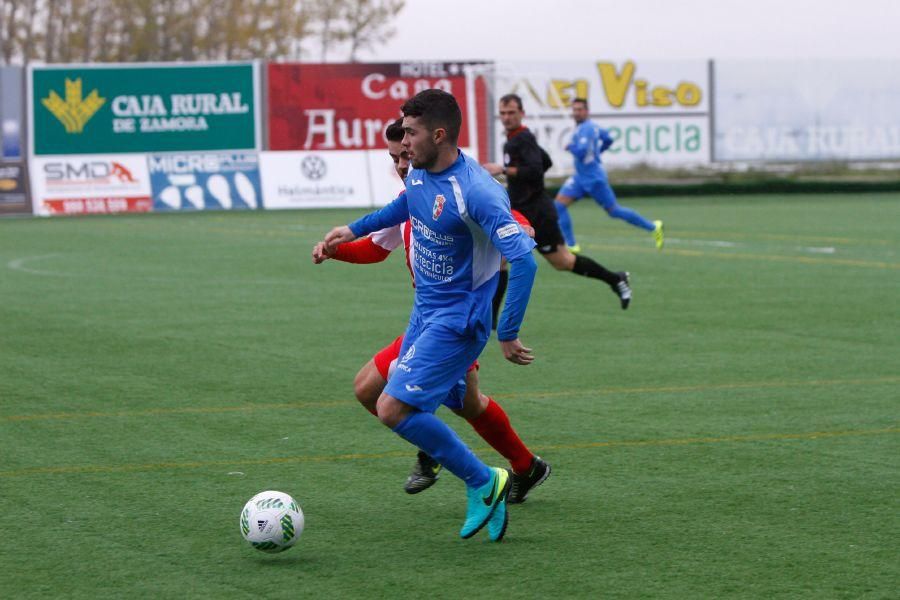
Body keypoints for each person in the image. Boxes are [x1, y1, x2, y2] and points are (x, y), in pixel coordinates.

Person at [319, 90, 539, 542]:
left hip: (458, 321)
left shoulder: (476, 190)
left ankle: (485, 479)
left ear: (438, 135)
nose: (403, 144)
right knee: (419, 400)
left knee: (391, 407)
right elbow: (404, 207)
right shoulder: (420, 174)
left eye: (410, 134)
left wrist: (508, 331)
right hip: (425, 314)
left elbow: (525, 260)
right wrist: (351, 229)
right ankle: (510, 467)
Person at [484, 94, 634, 310]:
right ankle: (490, 321)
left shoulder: (521, 139)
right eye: (503, 113)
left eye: (511, 113)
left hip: (538, 214)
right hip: (522, 211)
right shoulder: (516, 138)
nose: (507, 117)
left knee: (563, 262)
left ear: (521, 113)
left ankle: (615, 279)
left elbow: (536, 169)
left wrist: (504, 170)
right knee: (499, 259)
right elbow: (546, 160)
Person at [552, 97, 664, 252]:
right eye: (574, 109)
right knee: (558, 206)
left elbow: (582, 152)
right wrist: (599, 151)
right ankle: (571, 245)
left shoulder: (587, 128)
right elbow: (608, 139)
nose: (576, 113)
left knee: (614, 211)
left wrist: (570, 146)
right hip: (580, 177)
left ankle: (653, 227)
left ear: (587, 111)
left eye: (579, 109)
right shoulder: (590, 127)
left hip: (594, 179)